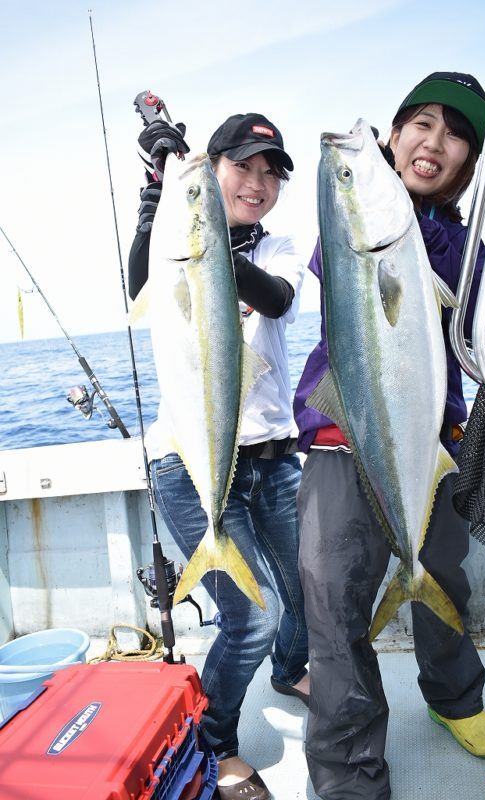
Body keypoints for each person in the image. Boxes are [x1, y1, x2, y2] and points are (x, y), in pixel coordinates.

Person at [293, 72, 485, 799]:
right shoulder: (360, 214)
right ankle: (349, 776)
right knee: (335, 606)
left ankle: (455, 699)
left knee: (444, 579)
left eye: (455, 135)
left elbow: (453, 289)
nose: (434, 143)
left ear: (470, 163)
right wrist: (365, 181)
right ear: (395, 133)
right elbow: (337, 257)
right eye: (422, 124)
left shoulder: (462, 245)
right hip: (340, 440)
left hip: (430, 443)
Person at [128, 113, 309, 800]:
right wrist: (161, 214)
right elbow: (140, 286)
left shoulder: (278, 248)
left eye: (272, 173)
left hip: (273, 460)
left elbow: (278, 298)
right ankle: (218, 744)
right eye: (244, 167)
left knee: (306, 591)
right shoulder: (177, 244)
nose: (259, 183)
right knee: (253, 615)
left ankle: (292, 670)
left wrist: (205, 241)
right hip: (189, 465)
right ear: (216, 169)